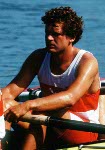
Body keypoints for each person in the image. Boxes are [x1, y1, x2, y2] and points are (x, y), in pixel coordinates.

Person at [2, 6, 100, 149]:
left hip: (83, 130)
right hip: (48, 123)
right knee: (3, 104)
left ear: (72, 37)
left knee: (42, 111)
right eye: (47, 33)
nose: (49, 38)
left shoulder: (87, 62)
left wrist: (28, 105)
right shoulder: (38, 57)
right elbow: (9, 92)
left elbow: (70, 98)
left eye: (55, 34)